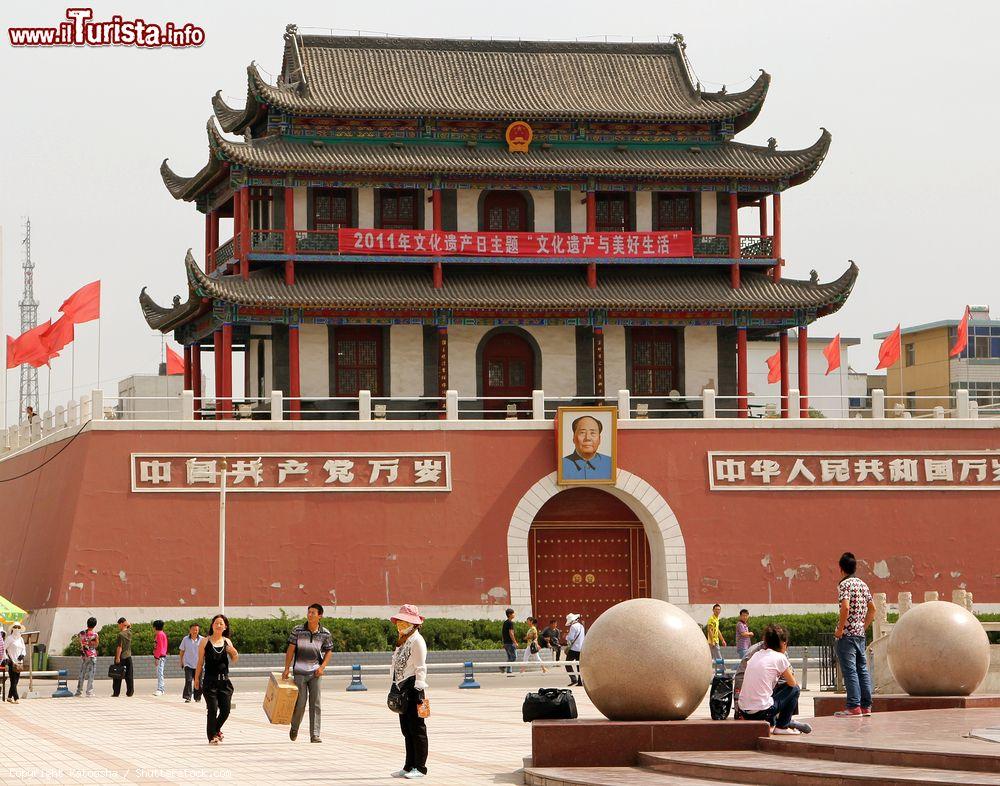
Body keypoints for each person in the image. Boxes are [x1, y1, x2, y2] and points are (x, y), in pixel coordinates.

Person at [736, 624, 811, 735]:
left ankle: (777, 722)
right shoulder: (780, 657)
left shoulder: (756, 654)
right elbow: (792, 683)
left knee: (768, 691)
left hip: (743, 710)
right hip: (760, 712)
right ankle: (782, 726)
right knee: (794, 689)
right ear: (783, 643)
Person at [283, 603, 334, 743]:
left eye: (313, 613)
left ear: (320, 616)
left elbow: (329, 650)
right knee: (300, 703)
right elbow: (290, 649)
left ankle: (315, 734)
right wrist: (287, 668)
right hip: (299, 672)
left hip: (315, 673)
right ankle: (294, 727)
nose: (310, 615)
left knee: (315, 703)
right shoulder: (298, 630)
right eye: (309, 612)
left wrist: (322, 667)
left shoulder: (325, 633)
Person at [833, 551, 875, 717]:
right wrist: (862, 627)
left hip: (847, 635)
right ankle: (866, 706)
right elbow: (873, 609)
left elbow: (845, 607)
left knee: (850, 670)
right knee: (862, 669)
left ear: (841, 569)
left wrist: (840, 629)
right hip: (859, 634)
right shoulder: (863, 585)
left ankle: (853, 706)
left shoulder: (844, 585)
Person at [390, 604, 428, 780]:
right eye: (399, 621)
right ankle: (408, 765)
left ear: (413, 623)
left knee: (417, 729)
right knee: (406, 729)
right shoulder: (403, 640)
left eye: (403, 621)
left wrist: (419, 691)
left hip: (414, 688)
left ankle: (420, 767)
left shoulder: (417, 641)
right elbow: (396, 665)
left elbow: (421, 667)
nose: (399, 624)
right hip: (401, 688)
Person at [194, 614, 239, 744]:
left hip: (224, 682)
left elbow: (234, 659)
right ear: (212, 625)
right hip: (210, 681)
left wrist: (234, 652)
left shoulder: (227, 642)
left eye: (221, 623)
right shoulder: (205, 642)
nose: (219, 625)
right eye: (216, 623)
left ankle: (216, 729)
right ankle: (212, 736)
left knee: (226, 710)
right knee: (212, 709)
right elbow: (200, 662)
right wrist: (196, 679)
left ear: (225, 627)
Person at [562, 415, 613, 480]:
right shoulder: (562, 465)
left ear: (599, 439)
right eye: (582, 433)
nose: (587, 438)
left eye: (592, 433)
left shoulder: (610, 464)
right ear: (574, 438)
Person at [178, 623, 203, 703]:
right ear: (190, 630)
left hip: (199, 664)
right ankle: (188, 697)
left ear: (198, 630)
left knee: (198, 681)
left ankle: (197, 697)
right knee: (188, 680)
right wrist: (181, 661)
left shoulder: (202, 640)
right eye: (193, 629)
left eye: (196, 630)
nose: (194, 631)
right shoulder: (185, 639)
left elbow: (205, 652)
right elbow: (182, 651)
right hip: (188, 664)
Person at [75, 617, 99, 697]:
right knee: (91, 674)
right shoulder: (95, 635)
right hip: (92, 655)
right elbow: (96, 645)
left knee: (82, 673)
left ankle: (79, 691)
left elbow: (80, 642)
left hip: (84, 655)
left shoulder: (81, 633)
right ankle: (89, 692)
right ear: (95, 625)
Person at [111, 617, 134, 697]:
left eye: (119, 624)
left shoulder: (121, 634)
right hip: (129, 656)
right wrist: (127, 623)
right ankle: (130, 692)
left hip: (122, 657)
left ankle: (116, 693)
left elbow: (119, 647)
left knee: (117, 675)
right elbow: (130, 626)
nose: (118, 626)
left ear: (121, 624)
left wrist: (117, 657)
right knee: (129, 675)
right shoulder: (130, 632)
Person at [5, 623, 26, 703]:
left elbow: (24, 648)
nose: (17, 628)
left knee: (16, 681)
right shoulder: (9, 638)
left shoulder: (21, 639)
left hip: (19, 663)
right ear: (12, 628)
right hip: (12, 662)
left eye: (18, 627)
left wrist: (22, 654)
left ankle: (9, 697)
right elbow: (3, 649)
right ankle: (16, 698)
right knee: (13, 681)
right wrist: (6, 658)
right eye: (15, 627)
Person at [564, 613, 585, 687]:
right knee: (579, 665)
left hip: (573, 649)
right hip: (581, 648)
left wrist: (566, 637)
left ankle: (573, 679)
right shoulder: (581, 626)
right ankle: (580, 681)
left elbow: (570, 638)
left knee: (567, 663)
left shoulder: (573, 627)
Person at [152, 619, 168, 697]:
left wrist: (156, 658)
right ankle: (160, 689)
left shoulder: (159, 635)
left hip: (160, 657)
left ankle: (160, 689)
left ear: (155, 627)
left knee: (160, 673)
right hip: (160, 656)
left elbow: (159, 647)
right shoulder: (161, 634)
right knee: (159, 673)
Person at [500, 608, 518, 676]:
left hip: (506, 643)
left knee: (509, 658)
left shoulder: (505, 622)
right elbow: (511, 633)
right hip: (510, 643)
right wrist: (515, 642)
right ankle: (503, 666)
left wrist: (503, 642)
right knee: (514, 657)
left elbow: (503, 633)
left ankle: (509, 671)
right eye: (513, 613)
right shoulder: (510, 623)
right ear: (509, 614)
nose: (514, 614)